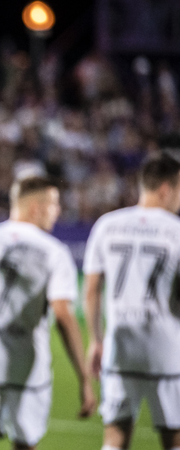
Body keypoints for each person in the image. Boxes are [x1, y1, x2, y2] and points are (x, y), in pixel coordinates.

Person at [0, 176, 96, 450]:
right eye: (54, 204)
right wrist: (84, 378)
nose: (58, 211)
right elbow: (63, 316)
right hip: (29, 365)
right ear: (36, 208)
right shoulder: (54, 251)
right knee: (25, 443)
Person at [84, 153, 180, 450]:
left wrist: (95, 340)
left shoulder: (107, 225)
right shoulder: (176, 229)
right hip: (166, 347)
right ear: (166, 189)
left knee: (115, 436)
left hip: (119, 345)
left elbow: (92, 289)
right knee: (174, 437)